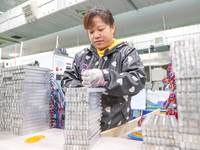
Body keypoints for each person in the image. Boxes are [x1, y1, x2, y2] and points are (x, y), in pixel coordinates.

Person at [61, 7, 146, 131]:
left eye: (100, 29)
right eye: (91, 32)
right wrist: (80, 89)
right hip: (85, 127)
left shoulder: (126, 53)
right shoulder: (82, 56)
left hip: (117, 127)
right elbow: (66, 80)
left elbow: (138, 80)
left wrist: (105, 77)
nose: (96, 36)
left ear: (112, 27)